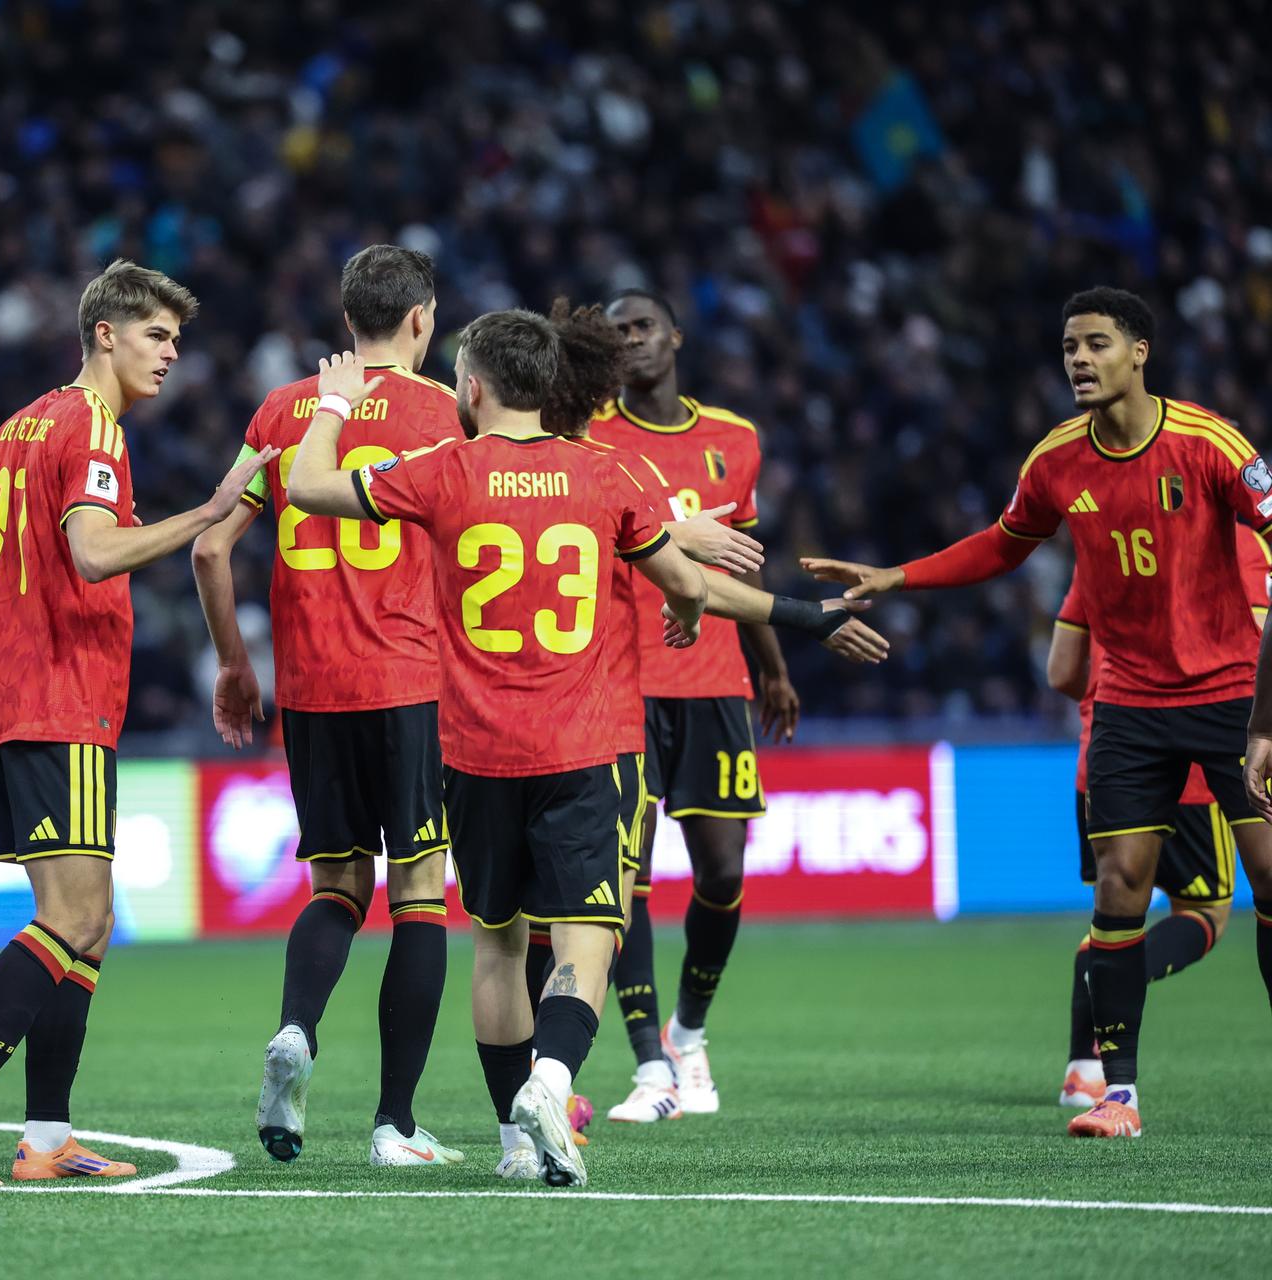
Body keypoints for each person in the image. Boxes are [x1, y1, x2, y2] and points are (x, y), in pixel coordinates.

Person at [286, 307, 884, 1186]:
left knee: (496, 946)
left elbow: (307, 486)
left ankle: (513, 1145)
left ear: (477, 386)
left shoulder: (441, 471)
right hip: (586, 748)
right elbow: (691, 584)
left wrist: (334, 406)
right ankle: (554, 1080)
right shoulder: (604, 476)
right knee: (585, 942)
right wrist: (804, 617)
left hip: (474, 753)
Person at [806, 286, 1272, 1139]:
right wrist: (896, 576)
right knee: (1124, 889)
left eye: (1097, 344)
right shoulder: (1057, 460)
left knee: (1269, 878)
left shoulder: (1212, 446)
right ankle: (1119, 1095)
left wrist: (1267, 723)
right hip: (1129, 702)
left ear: (1140, 352)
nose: (1079, 361)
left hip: (1231, 694)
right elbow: (1001, 544)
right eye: (1068, 348)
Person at [0, 260, 276, 1186]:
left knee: (90, 924)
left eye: (178, 341)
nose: (171, 355)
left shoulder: (25, 420)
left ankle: (46, 1137)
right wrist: (209, 512)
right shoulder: (96, 427)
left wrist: (23, 551)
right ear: (103, 333)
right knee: (72, 915)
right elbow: (95, 551)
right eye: (156, 335)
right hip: (57, 691)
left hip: (21, 695)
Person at [191, 245, 466, 1167]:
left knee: (337, 889)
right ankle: (394, 1123)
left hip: (312, 690)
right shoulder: (447, 415)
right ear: (422, 319)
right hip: (410, 682)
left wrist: (236, 665)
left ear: (348, 321)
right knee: (419, 895)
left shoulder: (282, 411)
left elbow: (208, 547)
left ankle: (297, 1033)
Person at [583, 288, 798, 1123]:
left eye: (640, 326)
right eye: (615, 333)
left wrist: (773, 664)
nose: (630, 341)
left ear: (674, 335)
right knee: (624, 879)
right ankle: (651, 1067)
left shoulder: (734, 439)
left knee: (723, 871)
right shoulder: (591, 433)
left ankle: (690, 1032)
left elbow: (740, 564)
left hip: (715, 684)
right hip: (623, 684)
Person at [1048, 530, 1269, 1105]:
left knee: (1115, 912)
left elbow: (1062, 670)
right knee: (1206, 911)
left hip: (1102, 759)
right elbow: (1260, 637)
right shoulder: (1234, 544)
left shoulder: (1103, 548)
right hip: (1194, 767)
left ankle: (1083, 1070)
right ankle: (1116, 980)